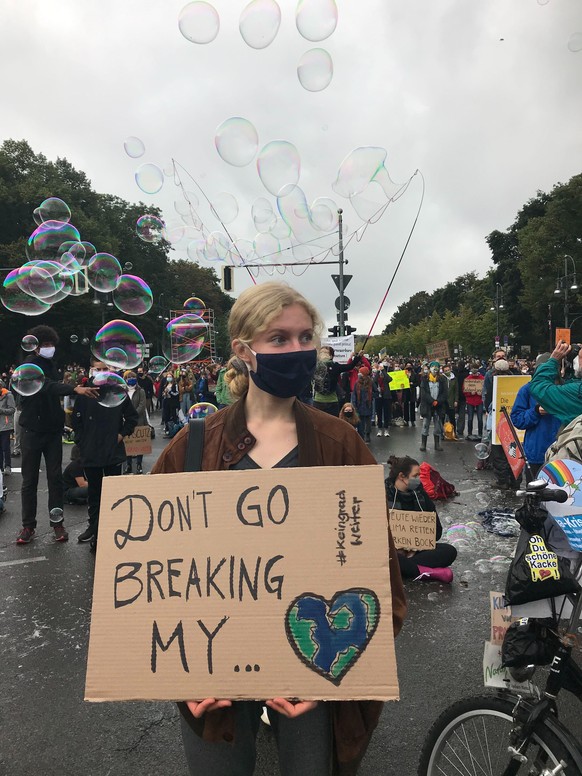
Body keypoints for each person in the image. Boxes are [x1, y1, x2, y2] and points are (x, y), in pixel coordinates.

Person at [151, 281, 406, 776]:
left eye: (306, 337)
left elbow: (381, 577)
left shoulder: (339, 443)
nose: (298, 351)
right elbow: (149, 574)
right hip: (209, 668)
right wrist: (180, 676)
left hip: (311, 662)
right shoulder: (192, 445)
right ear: (244, 352)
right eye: (280, 339)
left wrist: (335, 666)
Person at [16, 325, 99, 545]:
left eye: (52, 344)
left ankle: (58, 523)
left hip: (52, 430)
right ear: (35, 347)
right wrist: (74, 389)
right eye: (45, 345)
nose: (49, 348)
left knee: (55, 479)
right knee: (29, 480)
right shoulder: (29, 365)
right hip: (32, 430)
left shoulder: (51, 365)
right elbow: (46, 387)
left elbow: (52, 387)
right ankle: (28, 526)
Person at [72, 359, 138, 549]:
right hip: (91, 451)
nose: (100, 372)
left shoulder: (117, 392)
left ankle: (110, 530)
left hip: (112, 451)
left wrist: (121, 434)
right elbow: (76, 421)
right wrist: (82, 442)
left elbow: (132, 417)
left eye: (104, 369)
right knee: (94, 492)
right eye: (97, 369)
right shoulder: (85, 394)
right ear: (91, 370)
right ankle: (93, 527)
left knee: (113, 494)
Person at [385, 455, 457, 583]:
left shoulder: (420, 495)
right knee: (385, 556)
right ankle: (423, 572)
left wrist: (416, 546)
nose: (418, 479)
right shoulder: (383, 495)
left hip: (415, 552)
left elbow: (436, 533)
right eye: (415, 476)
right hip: (391, 551)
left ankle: (403, 568)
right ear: (402, 476)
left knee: (449, 551)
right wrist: (398, 548)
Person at [511, 354, 561, 482]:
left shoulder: (564, 389)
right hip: (537, 453)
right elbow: (517, 419)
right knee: (534, 495)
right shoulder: (527, 390)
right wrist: (535, 411)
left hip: (561, 452)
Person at [530, 341, 582, 425]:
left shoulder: (576, 390)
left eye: (579, 357)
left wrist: (553, 360)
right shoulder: (572, 385)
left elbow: (538, 387)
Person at [312, 346, 360, 416]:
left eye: (325, 352)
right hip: (320, 401)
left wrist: (358, 357)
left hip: (330, 402)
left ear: (331, 356)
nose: (323, 354)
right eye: (321, 352)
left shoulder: (334, 366)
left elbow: (349, 366)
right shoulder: (316, 366)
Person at [418, 361, 447, 452]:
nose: (435, 368)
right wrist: (431, 401)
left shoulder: (442, 379)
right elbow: (424, 393)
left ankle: (437, 444)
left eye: (436, 366)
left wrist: (437, 401)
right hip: (428, 406)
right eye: (433, 366)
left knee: (437, 425)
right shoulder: (425, 379)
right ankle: (423, 444)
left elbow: (444, 393)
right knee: (426, 424)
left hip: (438, 406)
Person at [123, 370, 147, 474]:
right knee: (128, 443)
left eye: (133, 377)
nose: (131, 379)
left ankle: (139, 464)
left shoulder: (141, 391)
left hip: (139, 420)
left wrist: (133, 415)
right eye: (129, 378)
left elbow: (142, 405)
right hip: (126, 421)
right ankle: (128, 465)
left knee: (139, 444)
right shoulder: (123, 391)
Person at [351, 366, 374, 443]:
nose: (359, 374)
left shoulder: (371, 382)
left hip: (368, 405)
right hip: (359, 405)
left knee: (368, 422)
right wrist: (354, 404)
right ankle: (361, 435)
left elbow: (376, 392)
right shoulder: (357, 383)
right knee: (360, 422)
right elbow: (354, 394)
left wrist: (370, 396)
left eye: (360, 372)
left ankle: (367, 434)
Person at [463, 362, 484, 440]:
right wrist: (470, 393)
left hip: (479, 400)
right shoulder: (468, 379)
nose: (474, 370)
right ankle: (469, 433)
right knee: (470, 418)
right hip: (470, 401)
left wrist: (481, 393)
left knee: (480, 418)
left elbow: (485, 390)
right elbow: (464, 391)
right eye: (473, 368)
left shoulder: (482, 378)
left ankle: (480, 433)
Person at [0, 378, 16, 475]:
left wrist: (1, 410)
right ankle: (0, 467)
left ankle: (8, 466)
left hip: (5, 425)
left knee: (5, 447)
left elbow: (12, 409)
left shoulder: (8, 395)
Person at [373, 363, 392, 437]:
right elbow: (374, 381)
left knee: (386, 413)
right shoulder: (376, 376)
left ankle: (386, 429)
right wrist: (378, 371)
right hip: (378, 396)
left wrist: (383, 370)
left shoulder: (386, 376)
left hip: (386, 396)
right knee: (379, 413)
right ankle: (380, 429)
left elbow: (389, 379)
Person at [442, 364, 457, 435]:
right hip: (443, 401)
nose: (447, 371)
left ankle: (453, 432)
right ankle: (442, 433)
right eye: (445, 371)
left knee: (452, 418)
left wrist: (456, 400)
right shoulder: (442, 378)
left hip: (451, 401)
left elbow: (456, 391)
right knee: (442, 418)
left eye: (448, 370)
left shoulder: (454, 378)